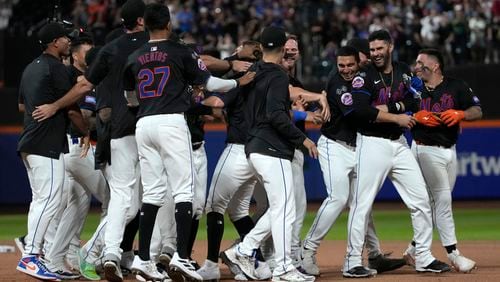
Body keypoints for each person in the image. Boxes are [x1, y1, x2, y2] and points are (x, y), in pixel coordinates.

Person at [122, 3, 254, 281]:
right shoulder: (180, 51)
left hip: (144, 124)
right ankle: (181, 257)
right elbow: (211, 84)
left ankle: (144, 259)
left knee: (153, 193)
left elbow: (130, 99)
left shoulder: (134, 56)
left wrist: (148, 108)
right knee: (184, 192)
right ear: (168, 24)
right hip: (171, 122)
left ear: (145, 25)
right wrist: (237, 84)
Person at [31, 1, 149, 281]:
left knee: (80, 203)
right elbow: (80, 110)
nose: (87, 50)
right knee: (121, 202)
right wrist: (84, 125)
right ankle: (91, 251)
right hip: (81, 147)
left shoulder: (92, 76)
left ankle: (60, 255)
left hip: (82, 147)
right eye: (81, 45)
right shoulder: (75, 77)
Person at [342, 29, 451, 277]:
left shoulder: (404, 72)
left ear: (390, 47)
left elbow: (416, 101)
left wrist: (391, 108)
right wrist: (396, 116)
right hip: (372, 144)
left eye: (380, 48)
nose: (375, 54)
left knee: (421, 200)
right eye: (372, 50)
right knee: (362, 204)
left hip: (398, 143)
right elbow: (359, 110)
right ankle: (351, 261)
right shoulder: (363, 75)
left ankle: (423, 257)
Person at [220, 26, 317, 282]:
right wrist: (303, 139)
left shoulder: (252, 72)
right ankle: (283, 268)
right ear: (284, 48)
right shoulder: (278, 76)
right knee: (285, 209)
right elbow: (276, 115)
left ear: (261, 47)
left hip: (252, 145)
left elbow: (224, 102)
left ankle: (243, 249)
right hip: (272, 146)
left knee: (280, 207)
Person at [300, 45, 406, 277]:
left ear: (360, 62)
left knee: (361, 202)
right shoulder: (337, 84)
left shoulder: (365, 75)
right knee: (338, 198)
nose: (345, 69)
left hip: (359, 146)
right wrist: (395, 113)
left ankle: (375, 254)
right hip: (334, 146)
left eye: (350, 65)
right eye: (341, 65)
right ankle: (306, 250)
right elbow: (358, 112)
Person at [16, 22, 89, 281]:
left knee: (43, 200)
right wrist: (86, 130)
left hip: (31, 141)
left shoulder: (30, 68)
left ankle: (42, 257)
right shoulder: (57, 68)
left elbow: (23, 106)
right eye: (65, 39)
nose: (69, 42)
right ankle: (31, 256)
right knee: (48, 201)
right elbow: (74, 106)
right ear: (54, 43)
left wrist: (50, 106)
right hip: (45, 142)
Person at [405, 48, 481, 273]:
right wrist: (413, 115)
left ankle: (413, 249)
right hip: (424, 149)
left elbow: (477, 110)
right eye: (416, 63)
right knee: (443, 201)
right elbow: (398, 109)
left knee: (433, 203)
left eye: (421, 63)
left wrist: (461, 114)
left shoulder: (456, 85)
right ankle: (454, 255)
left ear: (435, 66)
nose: (417, 66)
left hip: (450, 149)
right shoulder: (412, 88)